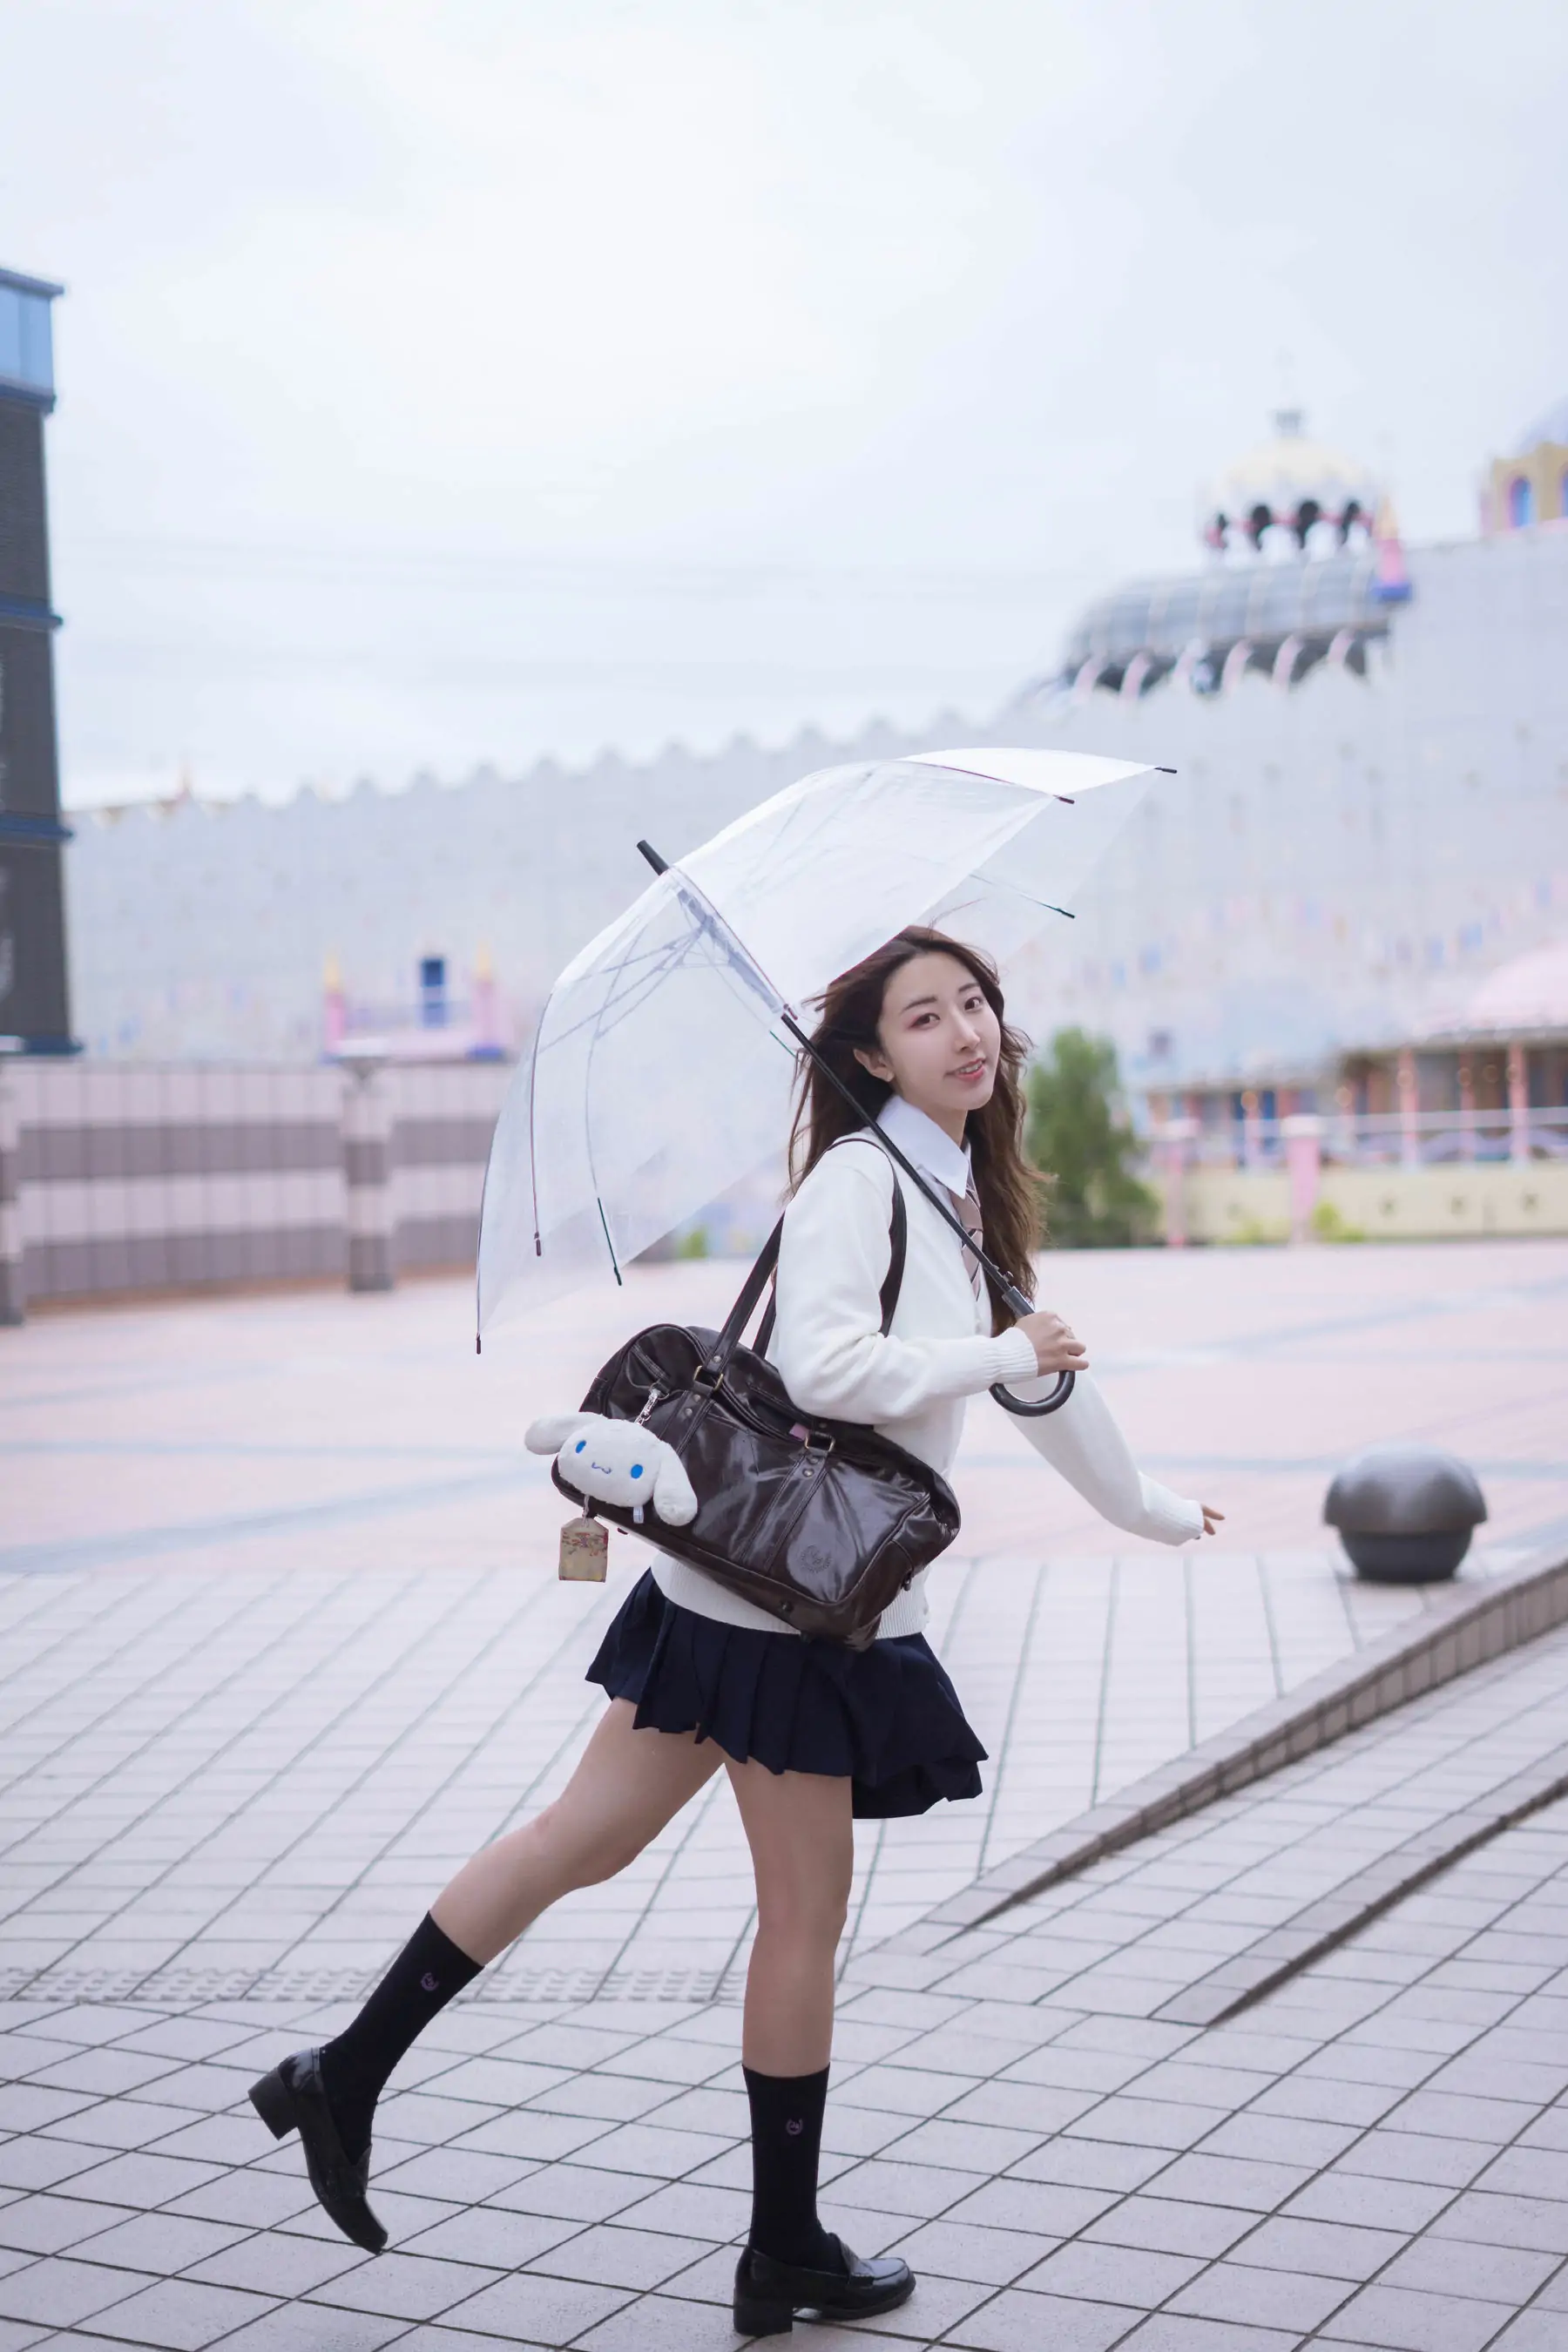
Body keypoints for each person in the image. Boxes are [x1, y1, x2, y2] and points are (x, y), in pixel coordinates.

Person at [250, 925, 1220, 2337]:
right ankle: (784, 2250)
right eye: (926, 1015)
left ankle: (339, 2077)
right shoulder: (859, 1181)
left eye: (976, 1004)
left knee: (578, 1843)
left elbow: (1039, 1386)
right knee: (800, 1919)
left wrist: (1147, 1506)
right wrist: (1003, 1350)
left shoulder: (952, 1191)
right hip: (790, 1612)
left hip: (744, 1597)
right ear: (872, 1053)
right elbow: (832, 1367)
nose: (965, 1031)